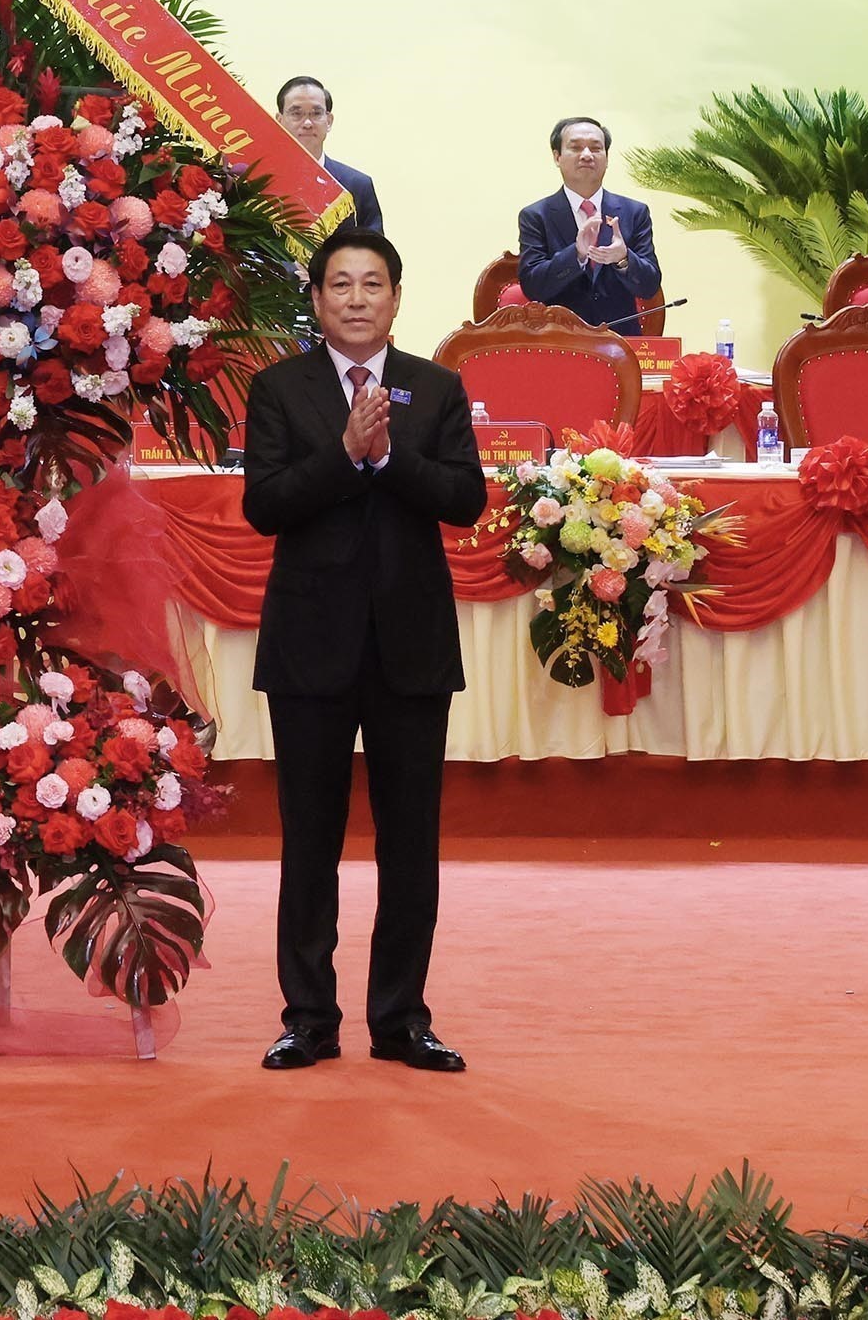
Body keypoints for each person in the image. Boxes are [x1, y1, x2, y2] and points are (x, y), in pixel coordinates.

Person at [241, 226, 482, 1076]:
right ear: (315, 298)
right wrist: (346, 456)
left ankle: (402, 1019)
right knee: (309, 840)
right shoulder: (278, 388)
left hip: (411, 648)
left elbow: (466, 500)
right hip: (310, 647)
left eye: (371, 283)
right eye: (338, 283)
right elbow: (265, 505)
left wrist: (390, 459)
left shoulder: (437, 387)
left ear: (396, 297)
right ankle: (307, 1017)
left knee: (409, 844)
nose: (354, 297)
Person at [514, 119, 662, 335]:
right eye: (575, 148)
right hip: (560, 344)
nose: (586, 155)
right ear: (557, 157)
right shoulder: (536, 216)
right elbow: (533, 287)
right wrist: (576, 255)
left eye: (596, 148)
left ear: (607, 158)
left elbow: (649, 286)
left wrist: (623, 259)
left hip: (620, 345)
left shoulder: (634, 212)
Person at [276, 75, 383, 234]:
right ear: (279, 120)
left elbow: (374, 252)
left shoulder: (357, 185)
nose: (307, 123)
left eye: (316, 113)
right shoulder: (257, 182)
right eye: (296, 114)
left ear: (329, 121)